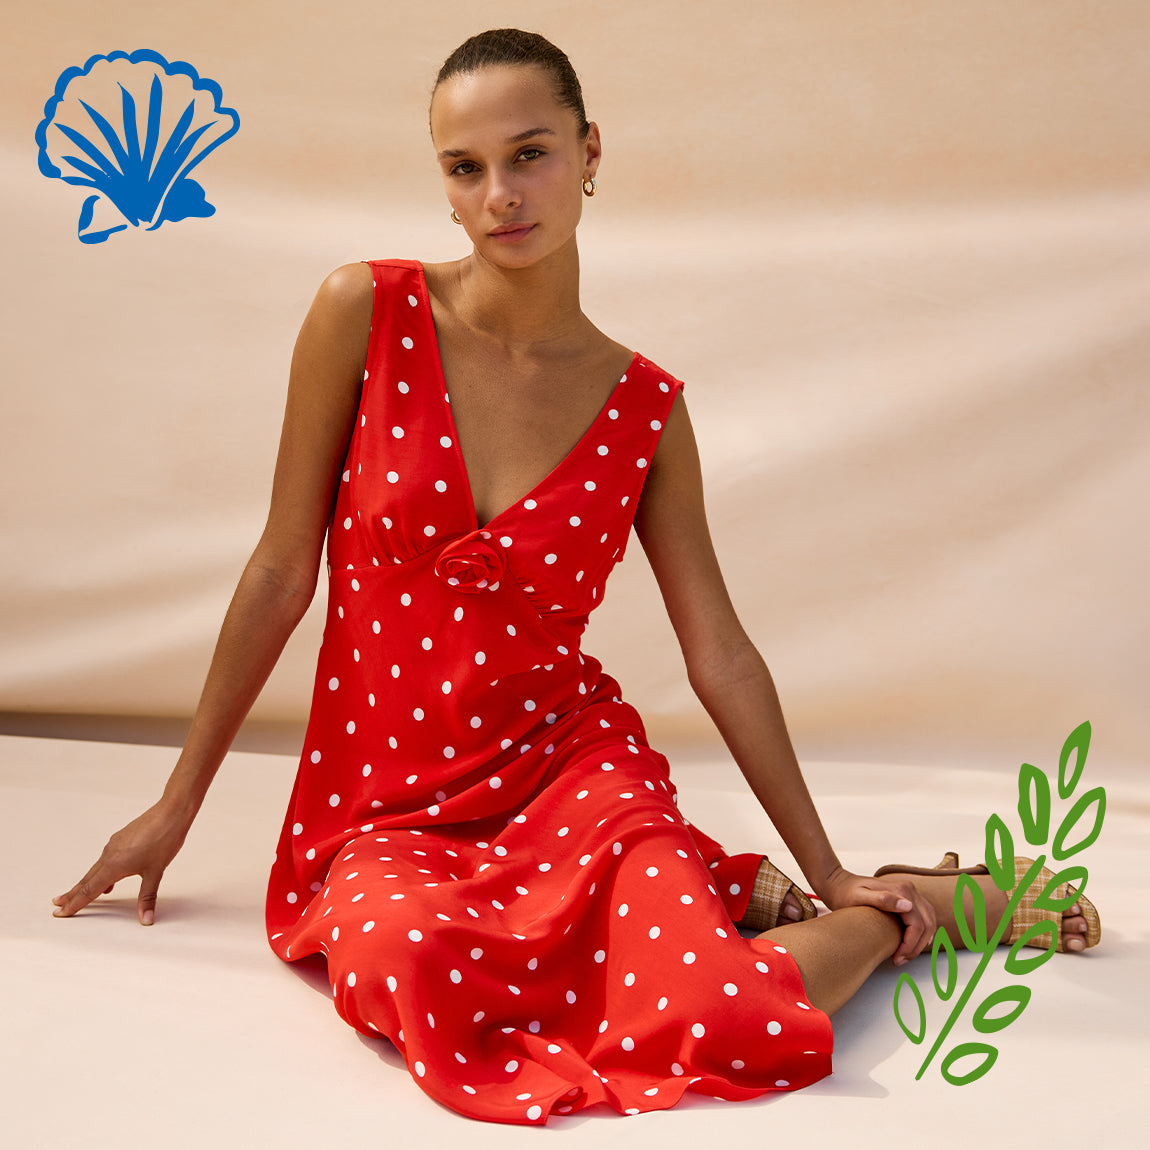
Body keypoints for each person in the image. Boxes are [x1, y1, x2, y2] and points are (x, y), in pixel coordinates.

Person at [52, 28, 1100, 1125]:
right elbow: (279, 570)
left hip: (567, 776)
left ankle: (903, 911)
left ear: (591, 152)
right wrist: (176, 804)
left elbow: (721, 654)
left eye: (531, 153)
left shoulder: (643, 408)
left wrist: (833, 869)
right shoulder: (364, 311)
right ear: (445, 186)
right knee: (404, 961)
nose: (501, 193)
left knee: (718, 1012)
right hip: (389, 810)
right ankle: (729, 891)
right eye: (466, 168)